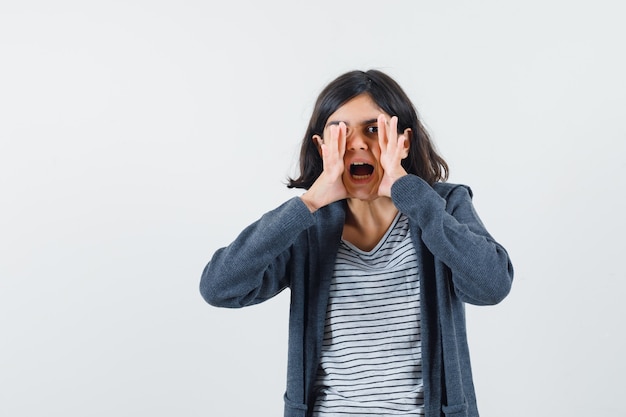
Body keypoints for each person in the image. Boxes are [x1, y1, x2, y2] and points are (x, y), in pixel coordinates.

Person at [199, 69, 514, 417]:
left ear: (403, 142)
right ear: (321, 147)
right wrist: (309, 202)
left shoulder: (442, 206)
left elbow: (492, 285)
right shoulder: (307, 226)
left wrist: (411, 194)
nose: (358, 143)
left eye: (373, 129)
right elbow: (219, 287)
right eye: (340, 131)